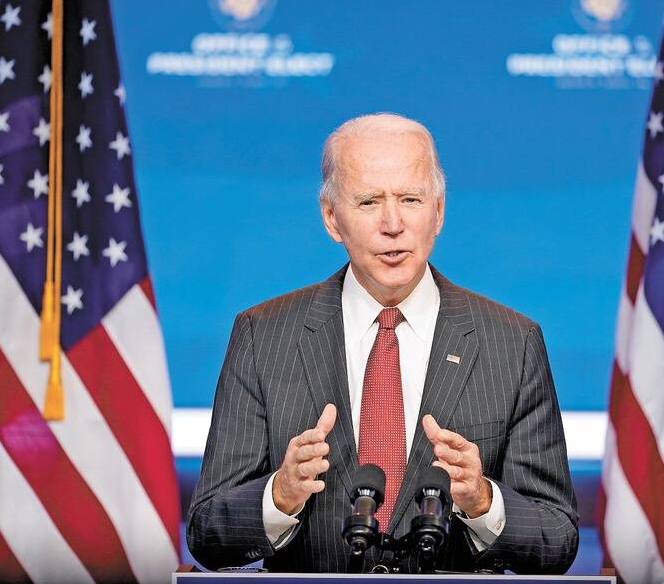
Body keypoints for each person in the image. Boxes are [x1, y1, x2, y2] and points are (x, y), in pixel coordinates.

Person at [186, 113, 578, 574]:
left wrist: (483, 501)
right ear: (332, 219)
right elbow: (207, 533)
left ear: (439, 211)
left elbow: (558, 539)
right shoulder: (263, 334)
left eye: (411, 199)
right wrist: (279, 495)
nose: (393, 224)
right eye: (369, 202)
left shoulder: (512, 342)